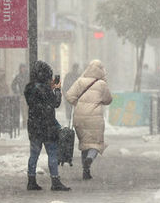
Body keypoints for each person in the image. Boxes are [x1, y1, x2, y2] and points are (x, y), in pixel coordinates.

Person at [24, 60, 70, 191]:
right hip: (47, 126)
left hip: (33, 126)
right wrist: (56, 90)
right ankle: (55, 181)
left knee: (34, 154)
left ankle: (31, 180)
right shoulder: (45, 89)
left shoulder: (29, 88)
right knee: (52, 153)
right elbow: (55, 103)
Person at [66, 59, 113, 180]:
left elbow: (69, 96)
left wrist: (79, 104)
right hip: (95, 117)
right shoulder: (102, 84)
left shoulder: (80, 81)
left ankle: (85, 171)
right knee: (96, 144)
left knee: (85, 143)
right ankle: (89, 159)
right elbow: (108, 100)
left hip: (80, 116)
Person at [11, 63, 29, 128]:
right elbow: (13, 85)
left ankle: (28, 123)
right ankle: (25, 123)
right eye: (22, 68)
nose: (23, 69)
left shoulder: (29, 76)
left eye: (24, 68)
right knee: (24, 110)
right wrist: (17, 92)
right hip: (22, 95)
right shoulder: (18, 76)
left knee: (28, 110)